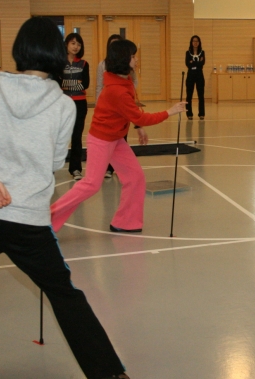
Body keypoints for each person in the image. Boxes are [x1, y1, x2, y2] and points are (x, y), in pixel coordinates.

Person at [0, 17, 135, 379]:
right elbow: (56, 161)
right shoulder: (63, 105)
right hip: (27, 218)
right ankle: (107, 371)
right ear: (57, 54)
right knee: (63, 292)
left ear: (20, 49)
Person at [50, 39, 185, 233]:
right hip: (102, 140)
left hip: (116, 139)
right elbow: (139, 115)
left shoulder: (123, 80)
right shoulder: (117, 90)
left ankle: (125, 221)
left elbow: (131, 112)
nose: (136, 59)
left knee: (135, 177)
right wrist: (170, 111)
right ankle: (46, 220)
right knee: (91, 184)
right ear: (123, 59)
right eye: (133, 56)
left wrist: (138, 126)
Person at [61, 33, 90, 180]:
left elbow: (85, 84)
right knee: (59, 136)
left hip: (80, 103)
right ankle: (51, 167)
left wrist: (66, 84)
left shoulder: (84, 64)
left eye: (78, 44)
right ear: (66, 44)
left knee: (76, 136)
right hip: (63, 103)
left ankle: (76, 169)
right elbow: (57, 83)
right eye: (73, 43)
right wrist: (74, 84)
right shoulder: (59, 62)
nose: (76, 47)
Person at [96, 33, 122, 179]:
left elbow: (133, 83)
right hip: (107, 107)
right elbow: (99, 86)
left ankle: (119, 167)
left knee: (121, 138)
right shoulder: (103, 64)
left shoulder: (126, 65)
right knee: (107, 138)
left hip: (121, 106)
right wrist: (99, 105)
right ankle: (107, 168)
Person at [184, 35, 205, 120]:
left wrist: (193, 62)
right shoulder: (187, 53)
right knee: (189, 96)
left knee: (201, 96)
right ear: (191, 42)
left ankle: (201, 114)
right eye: (194, 41)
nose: (195, 42)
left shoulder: (202, 52)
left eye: (197, 41)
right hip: (190, 76)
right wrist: (197, 63)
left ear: (199, 42)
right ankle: (189, 114)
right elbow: (188, 64)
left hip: (199, 75)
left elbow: (202, 64)